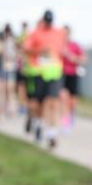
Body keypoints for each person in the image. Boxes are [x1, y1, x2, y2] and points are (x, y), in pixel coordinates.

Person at [22, 11, 67, 149]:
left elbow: (61, 50)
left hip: (54, 73)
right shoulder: (34, 33)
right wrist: (40, 51)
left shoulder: (59, 33)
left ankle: (52, 135)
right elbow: (26, 49)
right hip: (38, 73)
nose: (48, 23)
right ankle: (38, 125)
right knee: (37, 105)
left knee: (53, 102)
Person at [60, 25, 86, 131]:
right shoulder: (59, 45)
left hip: (73, 74)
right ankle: (65, 123)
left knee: (73, 101)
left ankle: (72, 115)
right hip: (61, 74)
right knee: (63, 98)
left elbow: (84, 59)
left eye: (66, 33)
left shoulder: (75, 45)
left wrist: (71, 57)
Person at [1, 24, 18, 117]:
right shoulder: (3, 41)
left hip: (11, 67)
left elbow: (16, 54)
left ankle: (12, 109)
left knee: (10, 90)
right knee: (6, 90)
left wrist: (11, 57)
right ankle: (8, 108)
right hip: (4, 67)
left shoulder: (12, 41)